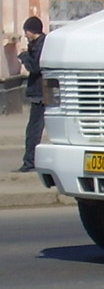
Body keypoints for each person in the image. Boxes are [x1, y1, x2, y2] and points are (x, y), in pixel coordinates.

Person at [16, 16, 45, 172]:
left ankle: (29, 162)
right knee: (34, 129)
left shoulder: (41, 46)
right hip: (42, 93)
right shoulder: (39, 44)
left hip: (41, 95)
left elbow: (35, 67)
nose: (25, 35)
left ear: (31, 31)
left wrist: (24, 56)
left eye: (26, 31)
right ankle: (30, 161)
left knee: (33, 130)